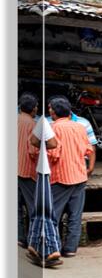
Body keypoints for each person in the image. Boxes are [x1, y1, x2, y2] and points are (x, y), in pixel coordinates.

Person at [45, 96, 95, 257]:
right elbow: (88, 150)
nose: (49, 110)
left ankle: (53, 248)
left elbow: (52, 154)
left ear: (54, 111)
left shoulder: (52, 129)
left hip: (60, 177)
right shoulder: (80, 127)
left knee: (53, 215)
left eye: (50, 108)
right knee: (75, 215)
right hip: (80, 175)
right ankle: (71, 248)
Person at [17, 92, 39, 248]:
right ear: (33, 109)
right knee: (32, 208)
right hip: (26, 171)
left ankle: (19, 236)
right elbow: (33, 151)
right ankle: (33, 238)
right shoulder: (32, 125)